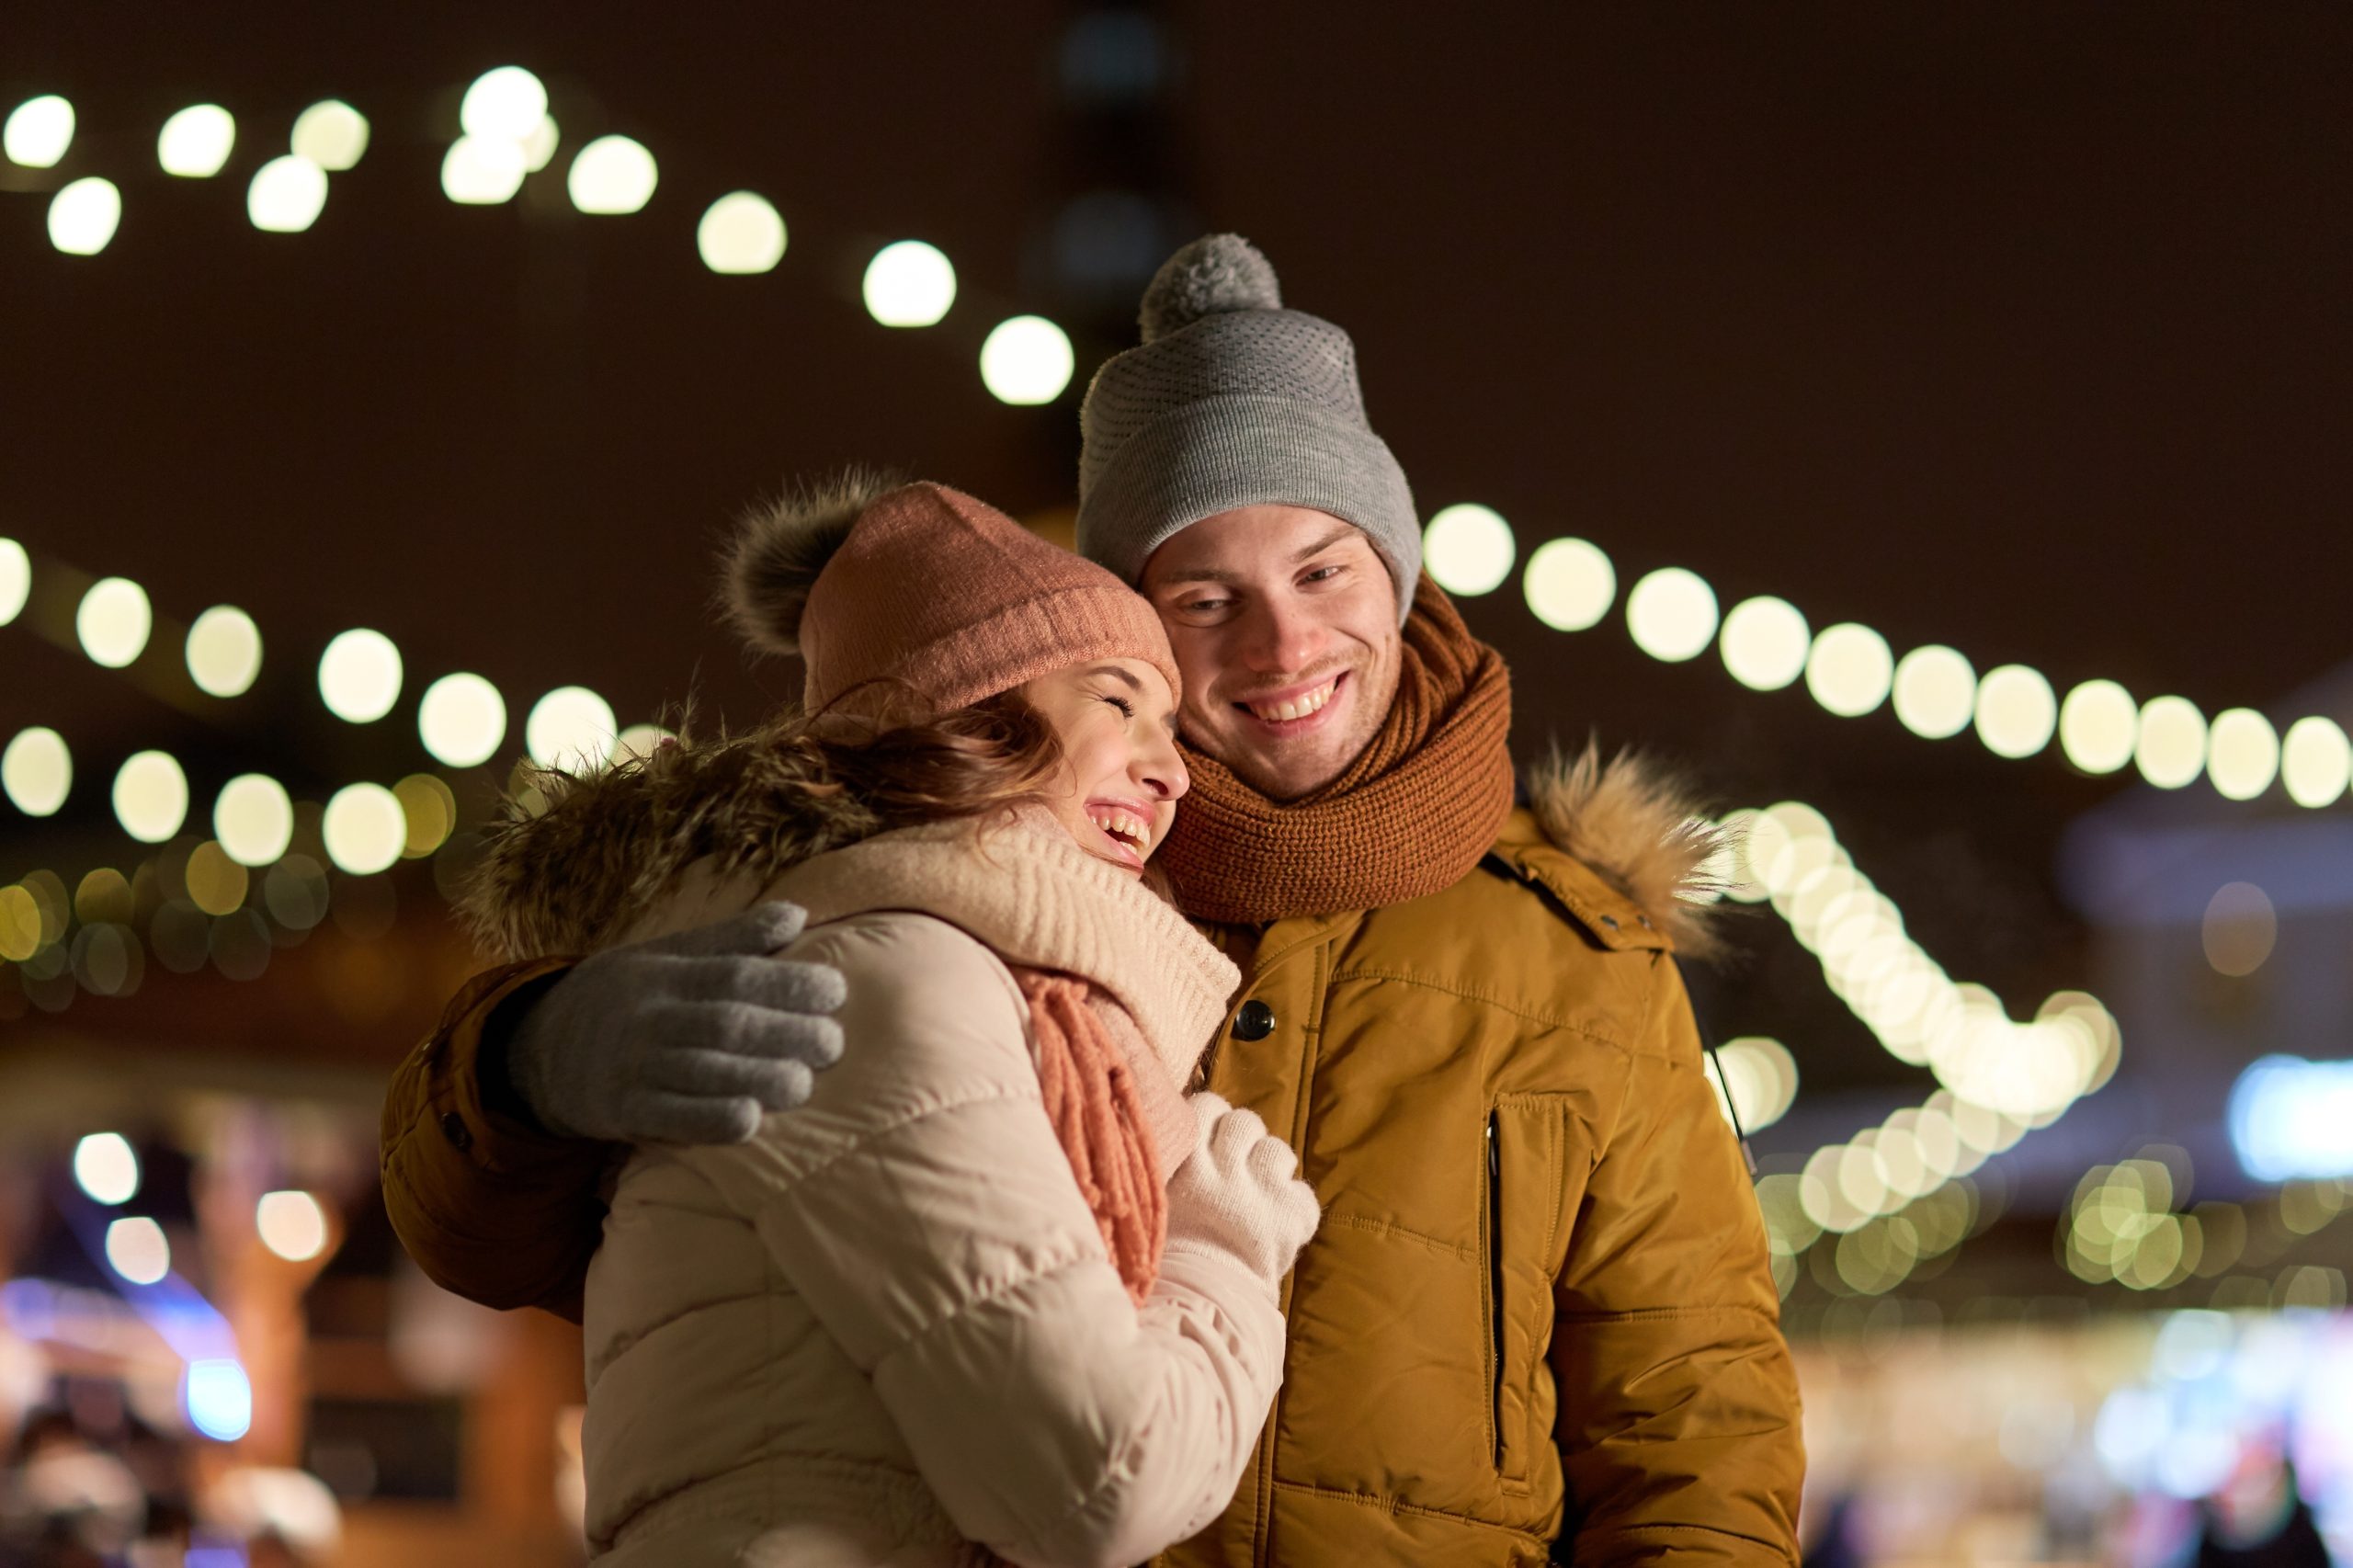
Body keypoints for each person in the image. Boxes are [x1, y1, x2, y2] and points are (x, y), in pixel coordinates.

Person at [381, 235, 1806, 1566]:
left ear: (1399, 571)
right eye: (1202, 597)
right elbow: (529, 1247)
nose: (1283, 640)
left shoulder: (1575, 953)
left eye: (1323, 567)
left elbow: (1692, 1413)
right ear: (1122, 622)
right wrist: (527, 1061)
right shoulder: (983, 876)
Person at [449, 477, 1318, 1566]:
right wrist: (1223, 1244)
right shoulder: (878, 975)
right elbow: (1096, 1483)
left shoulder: (949, 964)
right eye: (1115, 700)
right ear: (964, 712)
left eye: (1168, 719)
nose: (1172, 770)